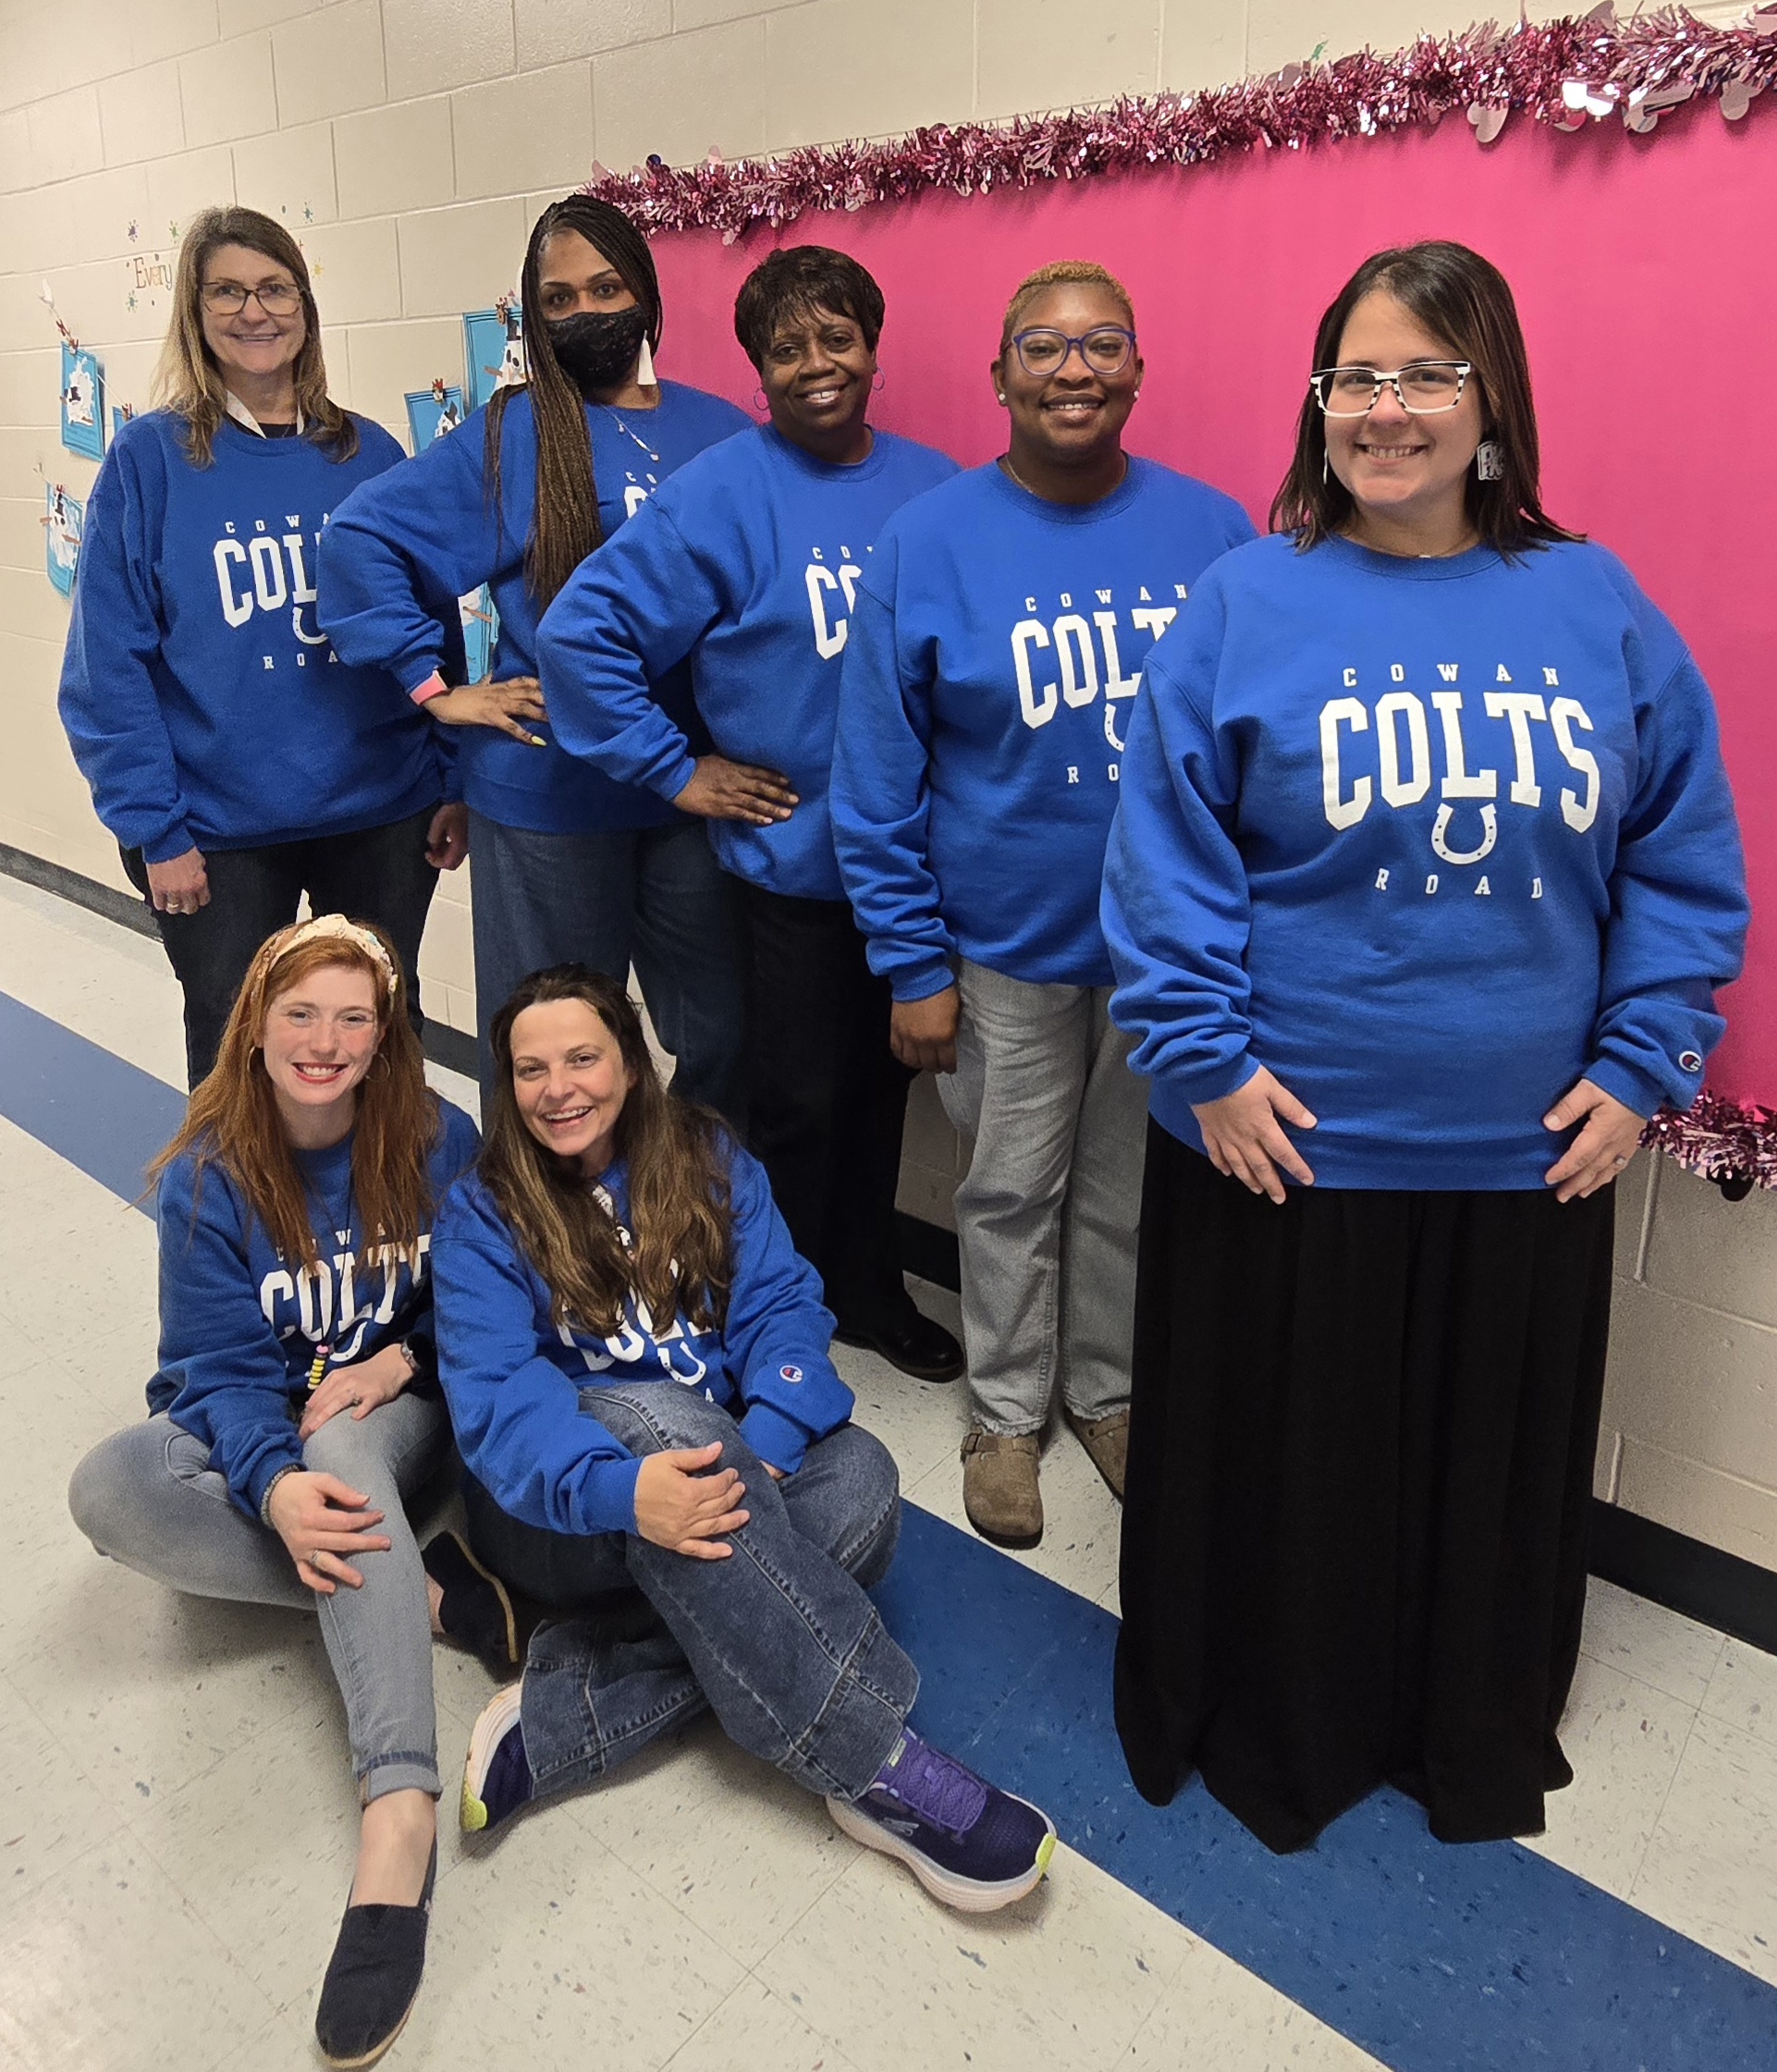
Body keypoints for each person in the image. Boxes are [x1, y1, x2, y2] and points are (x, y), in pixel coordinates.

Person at [1100, 239, 1749, 1853]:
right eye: (1355, 378)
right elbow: (1160, 849)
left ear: (1490, 401)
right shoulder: (1245, 596)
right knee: (1291, 1486)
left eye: (1425, 376)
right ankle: (1282, 1725)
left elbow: (1680, 854)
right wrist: (1204, 1061)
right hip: (1283, 1145)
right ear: (1318, 402)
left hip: (1523, 1159)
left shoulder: (1593, 604)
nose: (1386, 410)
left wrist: (1640, 1062)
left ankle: (1458, 1720)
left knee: (1475, 1485)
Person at [432, 964, 1056, 1912]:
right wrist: (624, 1492)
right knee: (658, 1421)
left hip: (713, 1468)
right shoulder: (483, 1212)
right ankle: (875, 1761)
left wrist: (764, 1435)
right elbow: (500, 1405)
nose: (556, 1088)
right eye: (529, 1069)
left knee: (864, 1483)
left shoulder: (709, 1158)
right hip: (561, 1514)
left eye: (581, 1057)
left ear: (632, 1065)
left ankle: (573, 1703)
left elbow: (780, 1301)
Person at [833, 262, 1255, 1548]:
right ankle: (1004, 1416)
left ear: (1137, 369)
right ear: (1001, 374)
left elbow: (1252, 742)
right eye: (1045, 347)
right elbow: (876, 769)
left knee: (1126, 1191)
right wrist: (910, 961)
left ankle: (1107, 1396)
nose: (1075, 368)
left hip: (1162, 951)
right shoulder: (930, 541)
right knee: (1009, 1190)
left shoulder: (1216, 531)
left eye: (1102, 344)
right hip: (1000, 950)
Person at [65, 915, 508, 2064]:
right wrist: (266, 1486)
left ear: (385, 1032)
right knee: (112, 1487)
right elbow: (213, 1371)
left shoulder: (436, 1138)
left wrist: (398, 1360)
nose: (324, 1039)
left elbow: (478, 1308)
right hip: (278, 1428)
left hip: (402, 1419)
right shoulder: (208, 1175)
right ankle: (409, 1589)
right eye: (299, 1012)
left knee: (345, 1447)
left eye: (353, 1016)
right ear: (254, 1025)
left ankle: (397, 1814)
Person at [536, 245, 962, 1381]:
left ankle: (867, 1289)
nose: (815, 365)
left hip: (916, 872)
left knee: (884, 1102)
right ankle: (770, 1312)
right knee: (794, 1107)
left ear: (874, 347)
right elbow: (582, 636)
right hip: (793, 873)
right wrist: (676, 770)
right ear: (757, 369)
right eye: (786, 348)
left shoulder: (937, 488)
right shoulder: (722, 492)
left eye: (836, 338)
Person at [318, 195, 750, 1113]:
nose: (588, 312)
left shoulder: (720, 434)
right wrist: (437, 690)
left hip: (690, 792)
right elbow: (362, 540)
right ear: (534, 316)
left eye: (606, 287)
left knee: (722, 1031)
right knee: (550, 1048)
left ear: (644, 290)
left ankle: (690, 1212)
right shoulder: (515, 432)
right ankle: (547, 1240)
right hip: (547, 794)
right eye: (558, 299)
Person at [59, 206, 465, 1089]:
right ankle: (240, 1228)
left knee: (385, 1036)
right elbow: (106, 670)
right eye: (229, 292)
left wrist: (451, 777)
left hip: (382, 809)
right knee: (237, 1053)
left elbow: (431, 625)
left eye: (275, 288)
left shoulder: (369, 453)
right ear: (195, 313)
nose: (256, 311)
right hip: (216, 834)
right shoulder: (148, 463)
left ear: (306, 306)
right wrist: (153, 829)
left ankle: (395, 1217)